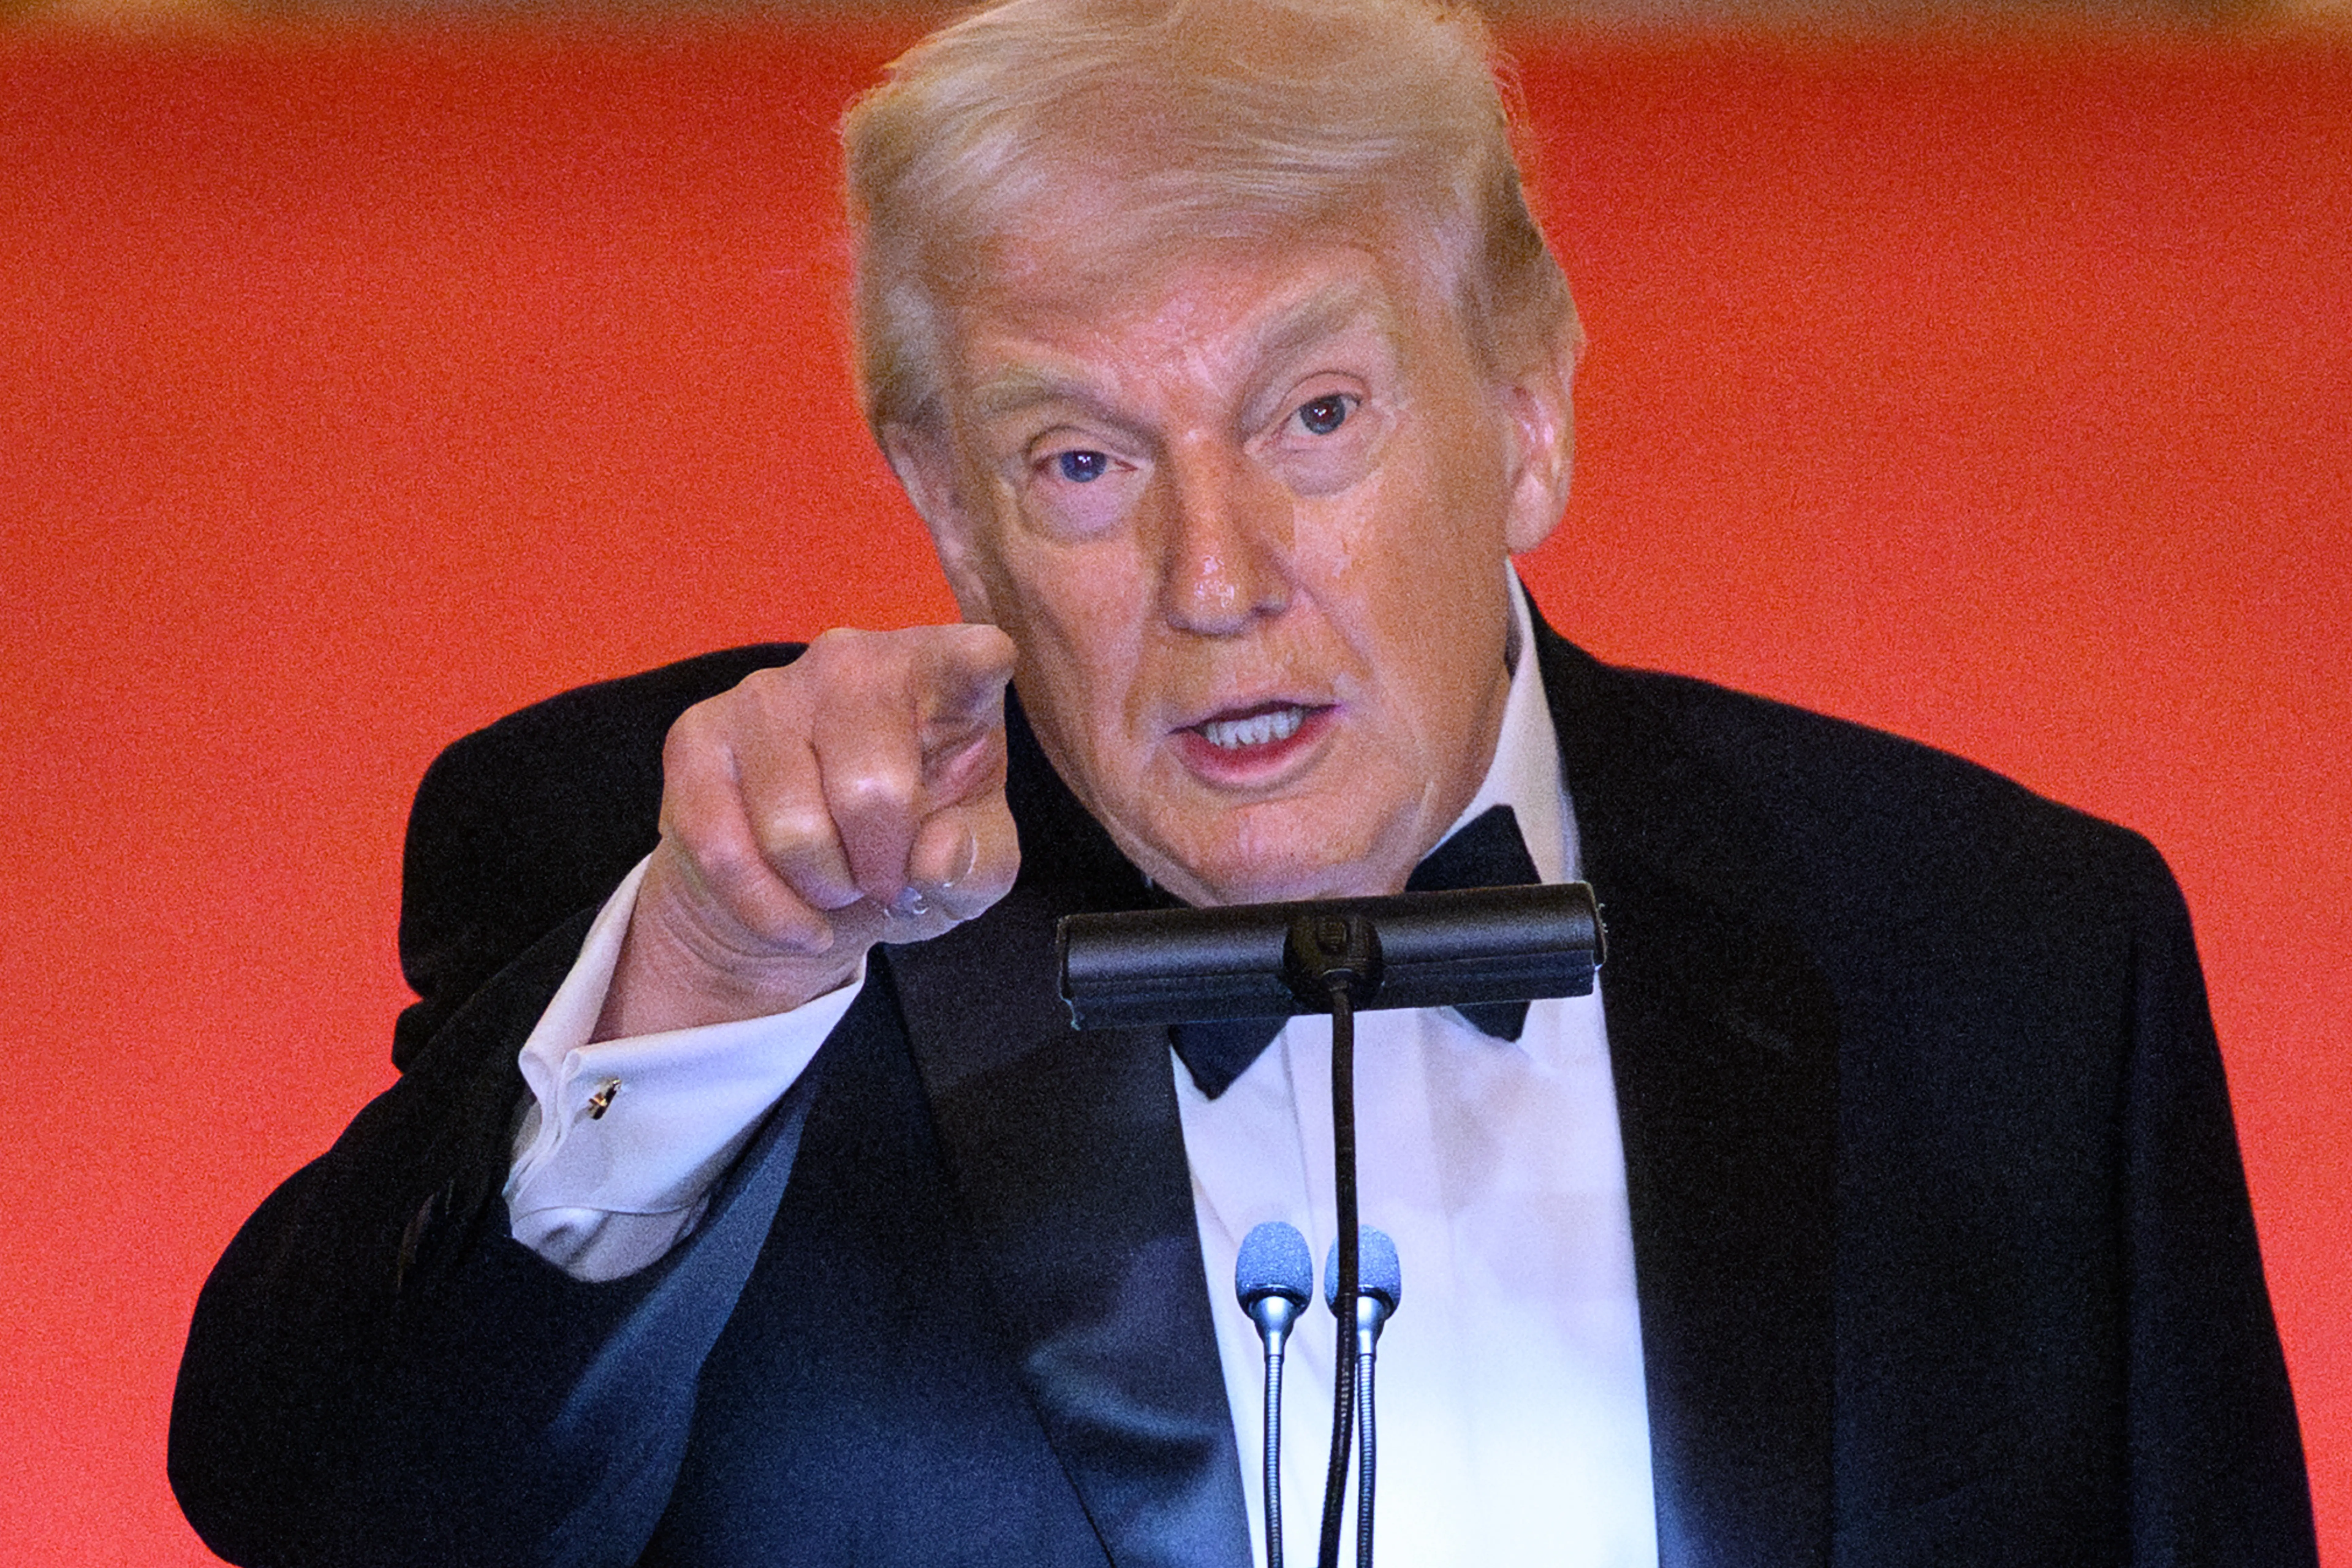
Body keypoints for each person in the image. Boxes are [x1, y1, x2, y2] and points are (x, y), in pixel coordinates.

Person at [169, 0, 2315, 1562]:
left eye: (1313, 415)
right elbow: (346, 1512)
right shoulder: (683, 896)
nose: (1213, 578)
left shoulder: (2010, 959)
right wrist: (717, 971)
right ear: (944, 502)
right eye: (1079, 459)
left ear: (1529, 403)